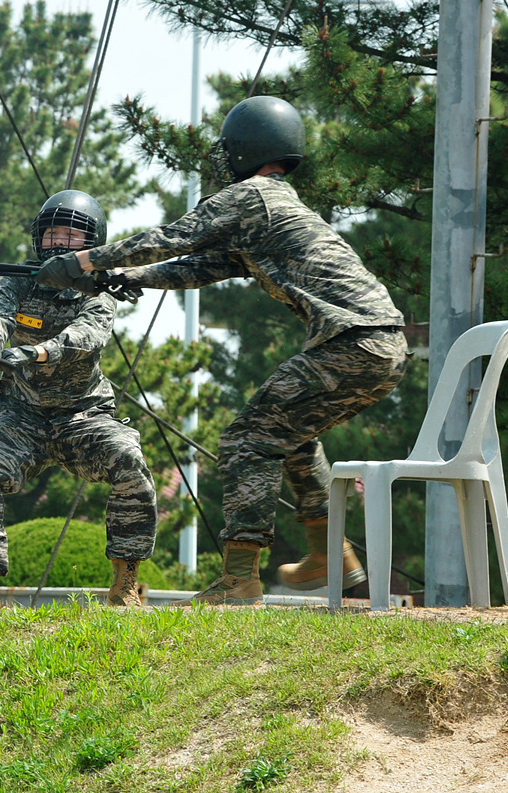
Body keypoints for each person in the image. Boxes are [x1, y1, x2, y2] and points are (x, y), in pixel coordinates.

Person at [35, 96, 408, 605]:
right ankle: (331, 555)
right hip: (381, 344)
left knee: (246, 440)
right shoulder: (277, 204)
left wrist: (83, 262)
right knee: (290, 436)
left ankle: (239, 579)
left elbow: (171, 239)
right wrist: (125, 276)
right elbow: (204, 266)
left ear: (243, 149)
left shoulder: (251, 196)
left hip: (354, 342)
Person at [0, 190, 158, 608]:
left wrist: (34, 352)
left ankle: (126, 580)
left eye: (70, 236)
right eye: (52, 235)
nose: (59, 244)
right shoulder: (16, 278)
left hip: (83, 416)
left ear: (90, 243)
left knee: (128, 459)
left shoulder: (98, 289)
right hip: (23, 417)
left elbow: (87, 336)